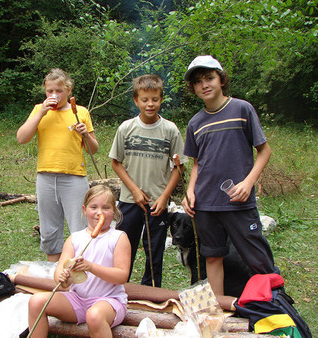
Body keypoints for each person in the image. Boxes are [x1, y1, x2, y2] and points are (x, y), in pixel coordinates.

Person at [181, 55, 278, 296]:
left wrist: (248, 182)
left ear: (221, 80)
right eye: (198, 82)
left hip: (238, 201)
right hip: (205, 205)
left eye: (209, 78)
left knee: (258, 257)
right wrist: (190, 191)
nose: (205, 85)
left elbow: (264, 150)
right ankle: (219, 312)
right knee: (212, 258)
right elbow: (197, 163)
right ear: (193, 88)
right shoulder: (195, 123)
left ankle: (277, 305)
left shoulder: (242, 109)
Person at [109, 74, 187, 287]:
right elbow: (116, 162)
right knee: (124, 246)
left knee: (155, 250)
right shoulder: (126, 128)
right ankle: (118, 288)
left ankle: (151, 292)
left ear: (161, 99)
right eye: (145, 100)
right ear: (136, 100)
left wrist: (164, 197)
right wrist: (134, 190)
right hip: (129, 199)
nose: (150, 104)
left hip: (157, 202)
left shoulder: (170, 130)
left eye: (155, 99)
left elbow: (179, 166)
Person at [17, 68, 99, 262]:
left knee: (79, 228)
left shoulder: (80, 112)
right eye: (49, 91)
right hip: (45, 176)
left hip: (74, 177)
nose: (54, 95)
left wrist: (85, 134)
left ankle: (81, 274)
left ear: (69, 90)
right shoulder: (39, 110)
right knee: (49, 229)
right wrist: (41, 113)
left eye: (59, 91)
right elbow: (21, 138)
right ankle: (53, 272)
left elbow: (93, 149)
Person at [28, 185, 131, 338]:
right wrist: (64, 278)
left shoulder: (118, 238)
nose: (99, 213)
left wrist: (91, 267)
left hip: (109, 301)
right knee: (36, 302)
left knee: (94, 316)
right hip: (77, 300)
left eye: (106, 208)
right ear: (84, 209)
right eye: (93, 207)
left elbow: (122, 276)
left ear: (114, 211)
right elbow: (60, 275)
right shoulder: (75, 239)